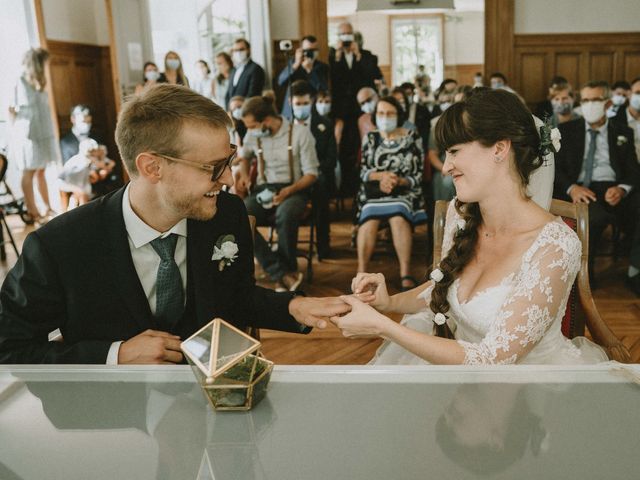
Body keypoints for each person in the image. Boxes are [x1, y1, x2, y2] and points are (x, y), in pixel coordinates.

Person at [0, 84, 348, 364]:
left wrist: (294, 306)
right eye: (212, 167)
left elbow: (234, 297)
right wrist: (113, 355)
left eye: (228, 160)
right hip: (110, 423)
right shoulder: (60, 245)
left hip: (207, 400)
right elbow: (9, 347)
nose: (228, 178)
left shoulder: (226, 214)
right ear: (152, 167)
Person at [332, 88, 608, 365]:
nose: (446, 166)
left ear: (499, 149)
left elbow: (493, 359)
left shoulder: (556, 246)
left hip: (524, 389)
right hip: (458, 371)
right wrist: (388, 303)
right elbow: (444, 287)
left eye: (454, 151)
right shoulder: (461, 214)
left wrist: (383, 325)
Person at [554, 80, 640, 285]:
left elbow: (633, 170)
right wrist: (572, 188)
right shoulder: (567, 130)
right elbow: (555, 168)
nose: (590, 104)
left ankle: (635, 271)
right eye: (585, 100)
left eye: (595, 100)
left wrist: (622, 189)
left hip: (612, 186)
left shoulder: (622, 131)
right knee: (593, 219)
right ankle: (585, 277)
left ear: (608, 104)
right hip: (581, 187)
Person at [239, 96, 319, 292]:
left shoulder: (300, 134)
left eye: (253, 126)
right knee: (241, 215)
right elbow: (245, 157)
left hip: (295, 189)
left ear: (266, 121)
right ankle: (281, 272)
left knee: (286, 214)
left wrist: (288, 191)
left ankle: (287, 270)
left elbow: (312, 174)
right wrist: (243, 175)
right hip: (263, 190)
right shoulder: (253, 135)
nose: (250, 131)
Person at [355, 96, 426, 291]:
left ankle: (405, 272)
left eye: (390, 113)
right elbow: (364, 172)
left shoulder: (413, 137)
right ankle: (362, 272)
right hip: (375, 192)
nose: (385, 117)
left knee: (398, 216)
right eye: (381, 113)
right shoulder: (370, 138)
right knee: (369, 219)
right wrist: (382, 177)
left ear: (399, 115)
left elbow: (418, 174)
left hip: (404, 191)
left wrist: (398, 181)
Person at [330, 22, 383, 195]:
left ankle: (365, 183)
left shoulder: (367, 56)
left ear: (354, 35)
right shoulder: (332, 56)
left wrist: (358, 55)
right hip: (342, 111)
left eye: (348, 34)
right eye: (342, 34)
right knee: (345, 148)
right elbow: (333, 80)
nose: (345, 37)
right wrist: (338, 57)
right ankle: (347, 188)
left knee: (364, 146)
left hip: (363, 109)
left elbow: (374, 76)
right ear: (338, 37)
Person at [7, 48, 57, 225]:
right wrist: (18, 134)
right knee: (29, 171)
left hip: (43, 131)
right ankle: (32, 211)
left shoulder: (40, 83)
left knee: (41, 170)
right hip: (28, 135)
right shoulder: (20, 81)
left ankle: (47, 207)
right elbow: (11, 110)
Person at [291, 80, 337, 259]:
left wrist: (311, 174)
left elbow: (331, 159)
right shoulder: (285, 125)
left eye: (305, 103)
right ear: (291, 103)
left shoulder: (325, 124)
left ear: (311, 102)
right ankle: (288, 245)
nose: (301, 107)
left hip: (318, 177)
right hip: (292, 177)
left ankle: (323, 244)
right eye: (297, 104)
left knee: (321, 188)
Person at [277, 35, 329, 120]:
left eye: (314, 50)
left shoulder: (322, 67)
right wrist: (296, 65)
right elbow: (281, 81)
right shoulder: (293, 64)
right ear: (301, 50)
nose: (310, 53)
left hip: (312, 110)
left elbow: (323, 90)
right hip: (291, 111)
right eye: (308, 50)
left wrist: (310, 71)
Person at [58, 138, 100, 211]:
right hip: (66, 182)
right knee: (82, 194)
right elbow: (70, 177)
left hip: (71, 182)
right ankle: (82, 213)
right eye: (92, 151)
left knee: (79, 195)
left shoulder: (83, 160)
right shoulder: (83, 161)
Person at [225, 39, 266, 108]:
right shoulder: (233, 70)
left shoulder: (256, 69)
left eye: (241, 49)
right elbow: (228, 93)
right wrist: (228, 110)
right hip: (232, 112)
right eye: (235, 50)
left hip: (248, 111)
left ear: (248, 50)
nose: (238, 53)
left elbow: (253, 94)